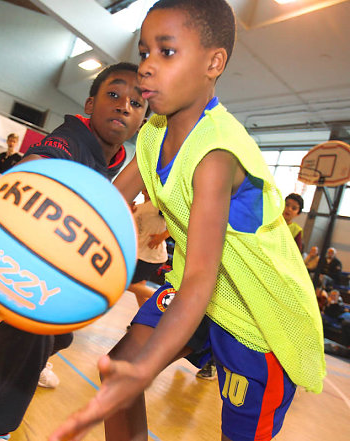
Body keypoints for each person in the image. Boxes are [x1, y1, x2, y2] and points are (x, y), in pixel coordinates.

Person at [50, 2, 325, 441]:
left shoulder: (215, 154)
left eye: (166, 52)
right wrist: (13, 208)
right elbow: (104, 201)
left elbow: (201, 277)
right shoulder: (155, 130)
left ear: (214, 63)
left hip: (259, 321)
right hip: (196, 295)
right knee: (120, 374)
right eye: (144, 52)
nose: (146, 68)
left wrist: (144, 370)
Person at [0, 63, 149, 441]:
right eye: (114, 95)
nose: (124, 106)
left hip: (62, 256)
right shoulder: (72, 136)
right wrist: (7, 187)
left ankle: (41, 354)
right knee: (27, 334)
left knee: (59, 333)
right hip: (26, 257)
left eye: (137, 103)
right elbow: (42, 162)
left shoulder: (115, 157)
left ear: (143, 119)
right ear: (90, 103)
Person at [128, 188, 169, 308]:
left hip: (151, 257)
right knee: (139, 292)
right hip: (141, 255)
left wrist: (163, 236)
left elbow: (181, 222)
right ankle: (145, 322)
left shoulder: (159, 206)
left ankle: (167, 300)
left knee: (126, 284)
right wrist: (129, 213)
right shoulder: (138, 207)